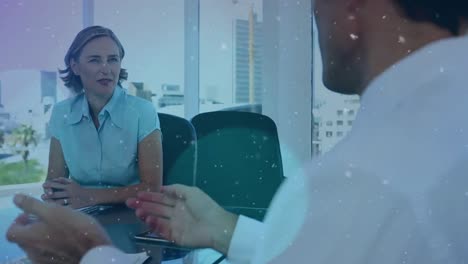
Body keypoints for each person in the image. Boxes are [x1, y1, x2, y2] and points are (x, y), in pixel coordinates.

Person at [7, 0, 468, 263]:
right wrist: (228, 230)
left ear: (349, 8)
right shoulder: (432, 138)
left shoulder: (367, 177)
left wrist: (90, 256)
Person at [41, 26, 163, 209]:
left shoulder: (142, 112)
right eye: (95, 60)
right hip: (80, 214)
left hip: (132, 212)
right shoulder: (61, 113)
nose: (106, 69)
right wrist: (54, 195)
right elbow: (54, 181)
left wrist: (89, 196)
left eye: (112, 60)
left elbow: (152, 188)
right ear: (75, 66)